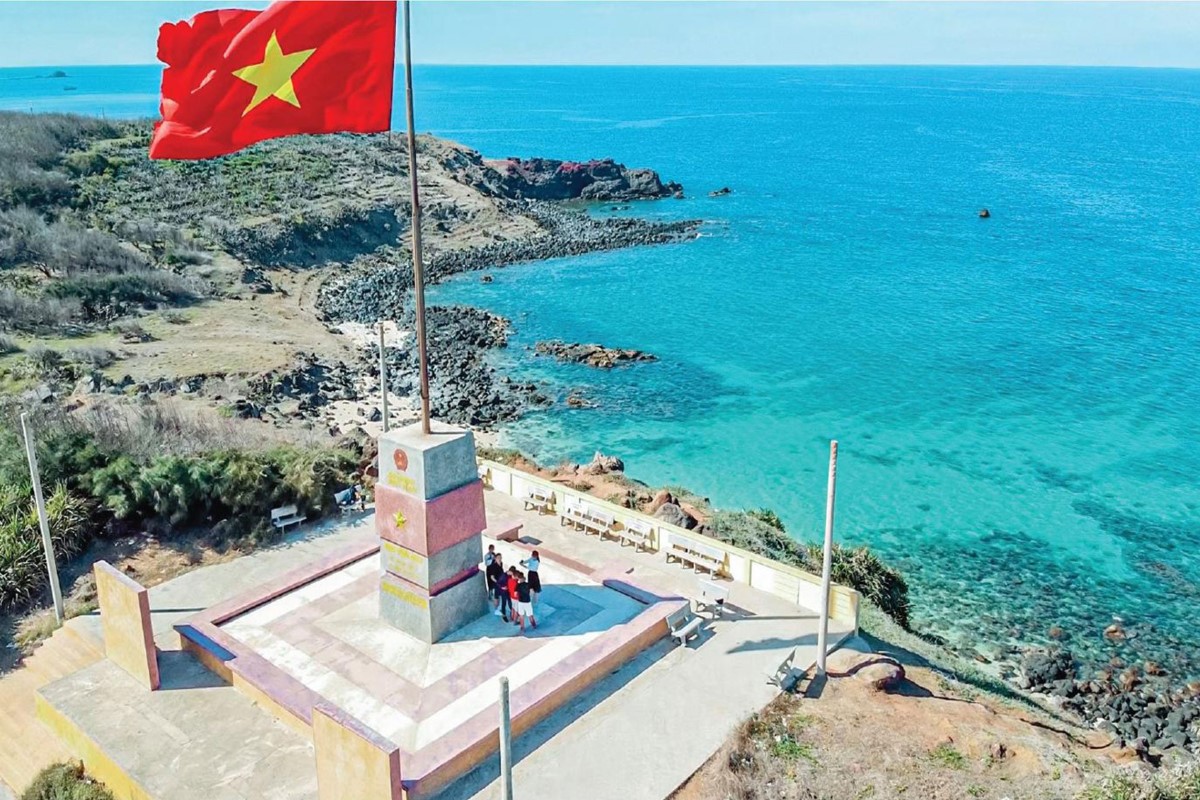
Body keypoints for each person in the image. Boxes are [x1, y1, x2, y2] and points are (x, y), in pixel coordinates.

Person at [487, 553, 507, 619]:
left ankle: (498, 607)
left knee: (500, 596)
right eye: (498, 558)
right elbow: (492, 577)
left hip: (501, 582)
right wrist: (497, 582)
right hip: (497, 583)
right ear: (495, 558)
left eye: (500, 557)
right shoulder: (493, 566)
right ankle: (496, 609)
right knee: (496, 596)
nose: (500, 559)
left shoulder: (501, 564)